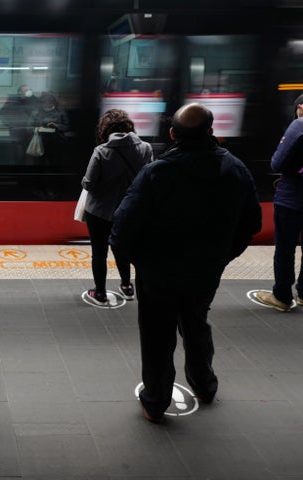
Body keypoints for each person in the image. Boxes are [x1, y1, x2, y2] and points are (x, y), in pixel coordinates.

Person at [110, 103, 262, 423]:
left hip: (157, 272)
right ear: (211, 131)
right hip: (205, 270)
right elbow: (251, 223)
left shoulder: (156, 172)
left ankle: (155, 401)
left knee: (156, 335)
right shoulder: (235, 169)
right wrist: (222, 256)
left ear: (172, 134)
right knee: (196, 322)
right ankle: (204, 385)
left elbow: (123, 226)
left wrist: (137, 260)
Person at [81, 109, 152, 305]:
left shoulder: (101, 151)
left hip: (100, 212)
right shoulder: (145, 148)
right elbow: (149, 178)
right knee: (124, 247)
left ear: (104, 129)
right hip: (131, 210)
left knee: (100, 251)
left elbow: (89, 184)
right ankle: (127, 286)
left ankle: (101, 292)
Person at [255, 94, 303, 312]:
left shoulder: (299, 125)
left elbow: (277, 162)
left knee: (285, 248)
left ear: (300, 107)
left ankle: (282, 296)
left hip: (292, 199)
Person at [28, 92, 71, 164]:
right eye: (45, 105)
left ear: (53, 103)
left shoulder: (60, 112)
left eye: (49, 105)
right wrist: (36, 129)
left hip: (57, 141)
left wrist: (57, 126)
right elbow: (28, 127)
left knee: (55, 162)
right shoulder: (36, 112)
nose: (47, 106)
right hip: (40, 141)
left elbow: (67, 127)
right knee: (40, 163)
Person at [0, 84, 39, 155]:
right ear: (20, 92)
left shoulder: (34, 100)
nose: (29, 91)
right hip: (17, 131)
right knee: (18, 153)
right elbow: (3, 113)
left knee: (30, 152)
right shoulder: (12, 100)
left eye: (30, 90)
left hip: (30, 131)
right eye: (26, 90)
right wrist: (10, 124)